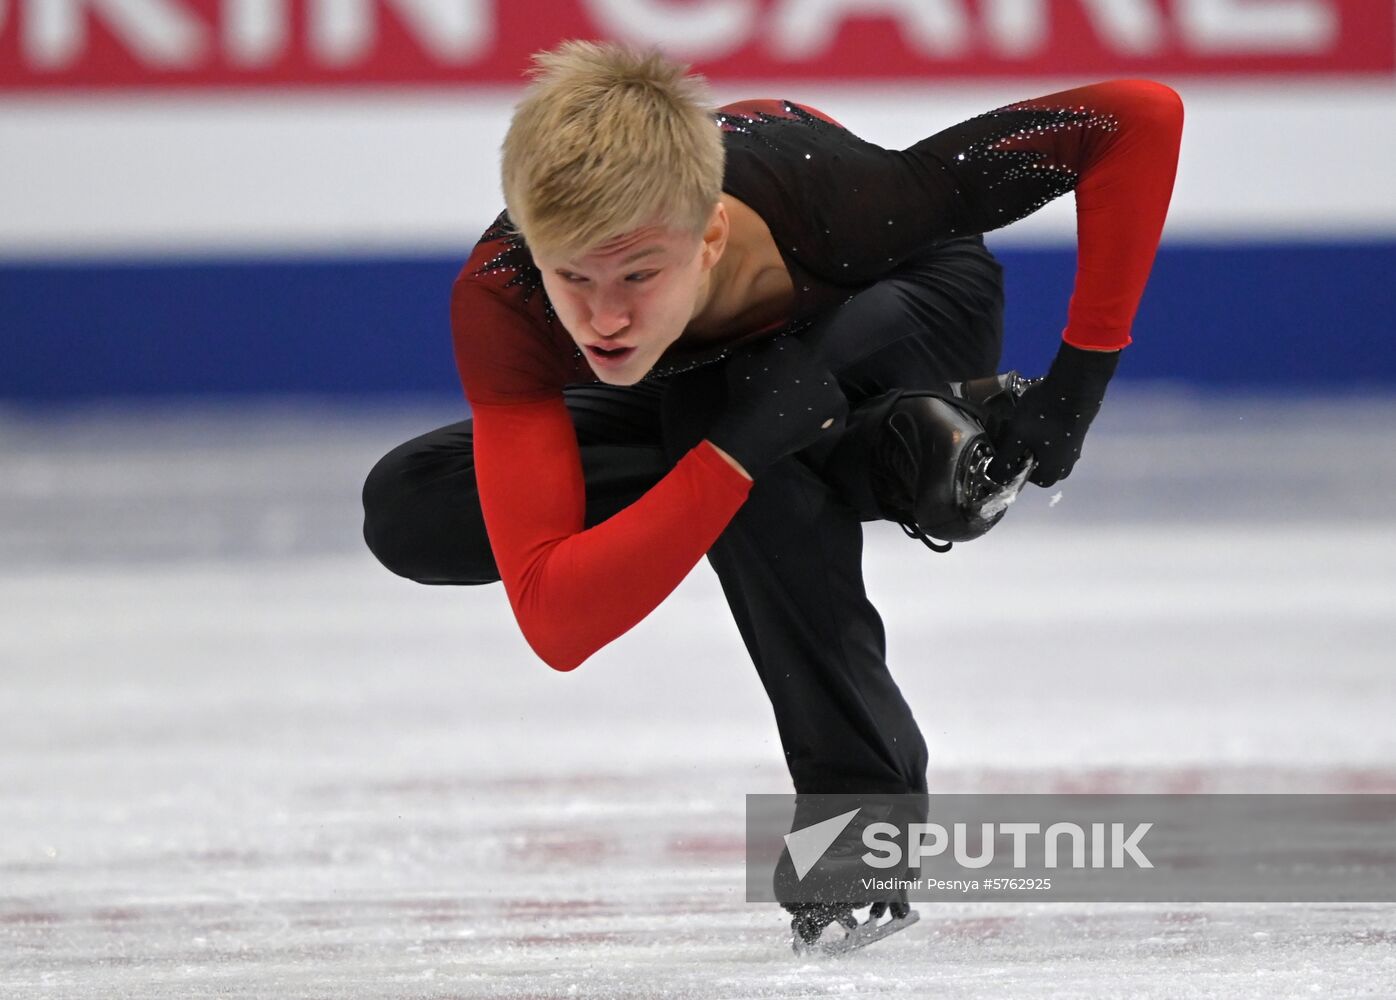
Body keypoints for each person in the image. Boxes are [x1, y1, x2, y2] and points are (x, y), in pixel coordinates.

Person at [362, 40, 1183, 946]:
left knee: (729, 410)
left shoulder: (840, 198)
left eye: (639, 273)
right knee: (416, 501)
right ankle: (909, 447)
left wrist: (1078, 388)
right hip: (710, 388)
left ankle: (862, 824)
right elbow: (558, 623)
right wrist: (732, 458)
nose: (604, 318)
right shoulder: (505, 299)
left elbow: (1135, 117)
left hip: (910, 301)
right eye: (573, 278)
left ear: (710, 234)